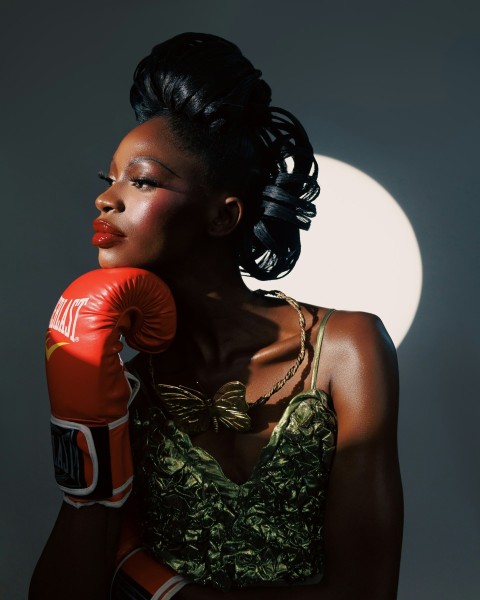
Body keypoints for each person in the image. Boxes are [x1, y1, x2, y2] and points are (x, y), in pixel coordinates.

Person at [29, 32, 403, 599]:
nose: (107, 200)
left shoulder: (346, 348)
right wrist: (85, 448)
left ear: (223, 215)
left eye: (143, 180)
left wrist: (162, 591)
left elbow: (366, 591)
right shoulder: (124, 382)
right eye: (110, 181)